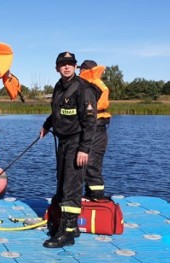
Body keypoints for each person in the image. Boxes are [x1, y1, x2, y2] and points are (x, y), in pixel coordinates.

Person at [40, 51, 99, 248]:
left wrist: (84, 149)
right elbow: (57, 111)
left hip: (77, 141)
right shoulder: (59, 86)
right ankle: (69, 226)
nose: (66, 67)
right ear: (57, 68)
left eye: (70, 64)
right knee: (62, 181)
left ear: (75, 67)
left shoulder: (83, 89)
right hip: (62, 141)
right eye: (63, 64)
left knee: (71, 186)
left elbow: (90, 122)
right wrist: (47, 125)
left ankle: (67, 233)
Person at [78, 60, 110, 200]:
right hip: (95, 128)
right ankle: (90, 196)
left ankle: (96, 198)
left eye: (80, 70)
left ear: (85, 70)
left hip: (96, 129)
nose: (79, 73)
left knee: (91, 165)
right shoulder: (95, 83)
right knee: (86, 164)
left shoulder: (91, 85)